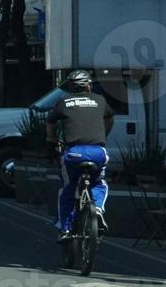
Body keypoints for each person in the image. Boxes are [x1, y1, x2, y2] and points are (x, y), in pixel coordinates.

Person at [46, 69, 115, 242]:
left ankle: (66, 228)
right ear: (88, 87)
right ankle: (98, 208)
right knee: (99, 183)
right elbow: (109, 118)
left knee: (68, 189)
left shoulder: (64, 101)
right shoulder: (100, 100)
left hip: (74, 153)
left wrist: (51, 141)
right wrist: (103, 135)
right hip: (98, 152)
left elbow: (50, 122)